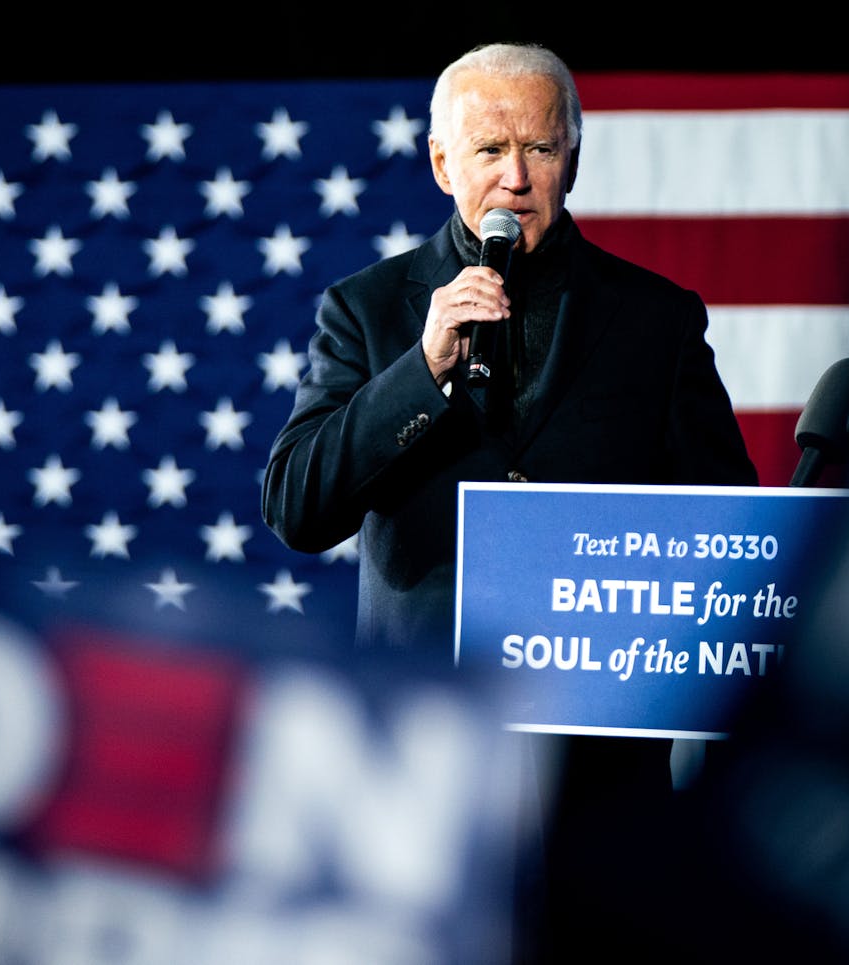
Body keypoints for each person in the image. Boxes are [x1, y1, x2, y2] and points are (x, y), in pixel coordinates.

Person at [261, 42, 757, 960]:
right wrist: (425, 369)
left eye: (541, 147)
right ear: (444, 161)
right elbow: (298, 505)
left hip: (599, 766)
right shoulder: (367, 311)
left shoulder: (655, 319)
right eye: (490, 150)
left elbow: (727, 524)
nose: (516, 178)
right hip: (421, 759)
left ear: (575, 155)